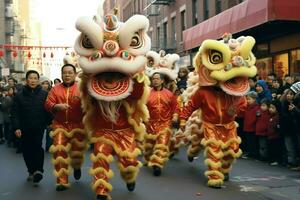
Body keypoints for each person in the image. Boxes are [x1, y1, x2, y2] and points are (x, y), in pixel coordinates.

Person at [45, 63, 88, 191]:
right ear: (61, 75)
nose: (67, 75)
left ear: (75, 74)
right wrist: (55, 106)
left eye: (70, 72)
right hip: (60, 125)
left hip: (78, 126)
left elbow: (89, 105)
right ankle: (62, 181)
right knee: (59, 151)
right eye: (65, 73)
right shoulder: (55, 89)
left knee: (77, 151)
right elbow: (48, 103)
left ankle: (77, 166)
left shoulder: (81, 88)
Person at [11, 70, 51, 185]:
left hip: (39, 127)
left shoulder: (44, 94)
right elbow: (15, 113)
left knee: (38, 147)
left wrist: (50, 122)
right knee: (27, 150)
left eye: (35, 78)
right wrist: (16, 127)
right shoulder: (19, 95)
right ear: (26, 80)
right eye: (30, 78)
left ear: (38, 81)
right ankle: (31, 170)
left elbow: (48, 111)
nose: (33, 80)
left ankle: (39, 170)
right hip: (24, 128)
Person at [144, 73, 179, 176]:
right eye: (153, 79)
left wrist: (175, 115)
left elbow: (175, 107)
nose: (155, 80)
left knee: (162, 144)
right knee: (150, 145)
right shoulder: (147, 93)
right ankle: (149, 158)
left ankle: (157, 164)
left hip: (165, 123)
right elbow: (142, 107)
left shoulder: (169, 94)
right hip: (150, 123)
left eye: (157, 79)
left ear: (162, 81)